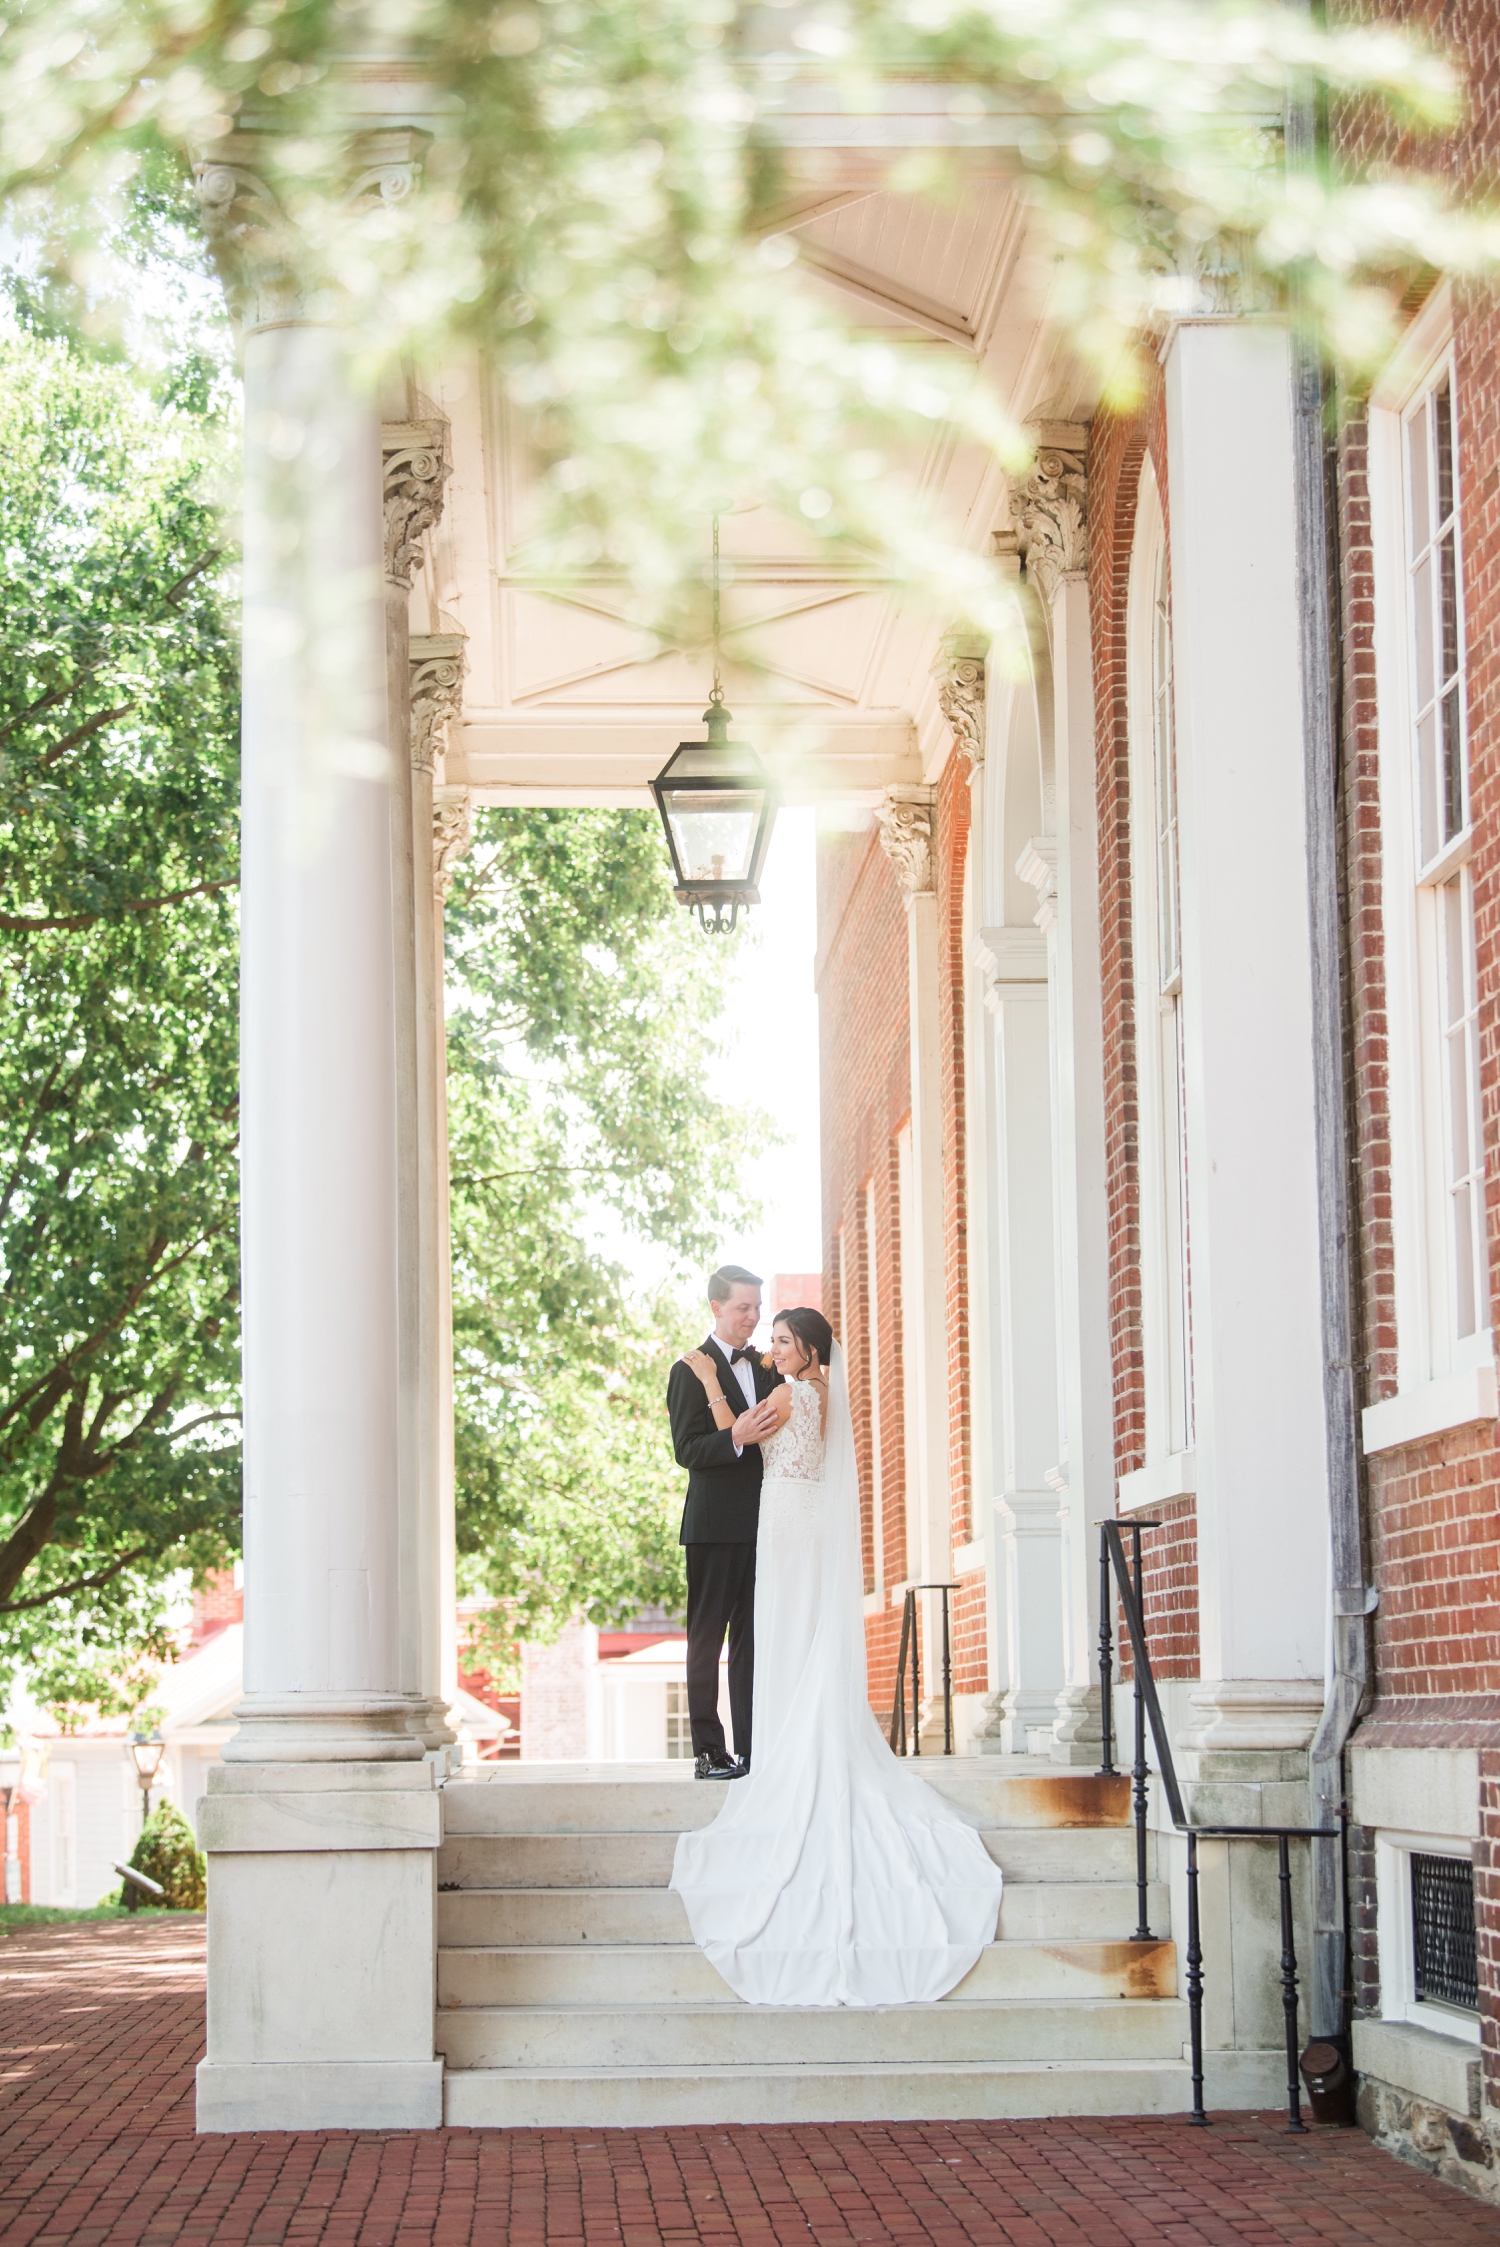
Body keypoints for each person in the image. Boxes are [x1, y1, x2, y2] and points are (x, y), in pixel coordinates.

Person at [669, 1307, 1005, 2005]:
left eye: (783, 1342)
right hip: (803, 1517)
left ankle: (790, 1742)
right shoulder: (820, 1391)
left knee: (783, 1631)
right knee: (795, 1634)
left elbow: (746, 1429)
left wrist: (707, 1378)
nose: (771, 1348)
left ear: (809, 1349)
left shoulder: (791, 1393)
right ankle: (795, 1727)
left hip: (787, 1522)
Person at [666, 1264, 782, 1780]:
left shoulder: (766, 1367)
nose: (753, 1317)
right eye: (743, 1307)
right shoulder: (689, 1369)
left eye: (758, 1307)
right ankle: (709, 1752)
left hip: (766, 1525)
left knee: (752, 1644)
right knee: (706, 1641)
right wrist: (736, 1435)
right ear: (716, 1307)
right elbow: (686, 1450)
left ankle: (753, 1749)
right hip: (712, 1528)